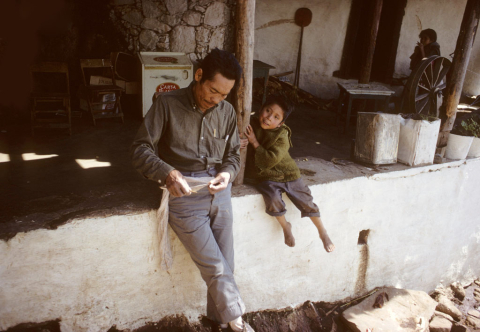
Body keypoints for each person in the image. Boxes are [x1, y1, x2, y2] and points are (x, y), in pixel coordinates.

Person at [131, 49, 254, 332]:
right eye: (213, 91)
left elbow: (234, 155)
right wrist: (168, 173)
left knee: (226, 263)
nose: (216, 100)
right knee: (216, 267)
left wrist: (227, 173)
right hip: (184, 195)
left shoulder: (226, 111)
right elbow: (140, 149)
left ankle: (219, 323)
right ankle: (238, 322)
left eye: (224, 95)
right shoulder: (166, 103)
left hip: (219, 193)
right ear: (198, 76)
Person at [240, 95, 335, 252]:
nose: (269, 118)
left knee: (306, 201)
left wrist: (254, 142)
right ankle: (285, 226)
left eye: (276, 117)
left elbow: (270, 159)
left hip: (288, 174)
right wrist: (240, 142)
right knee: (272, 200)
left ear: (281, 123)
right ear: (261, 108)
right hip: (265, 177)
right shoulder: (250, 124)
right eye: (268, 111)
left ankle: (322, 232)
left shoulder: (282, 135)